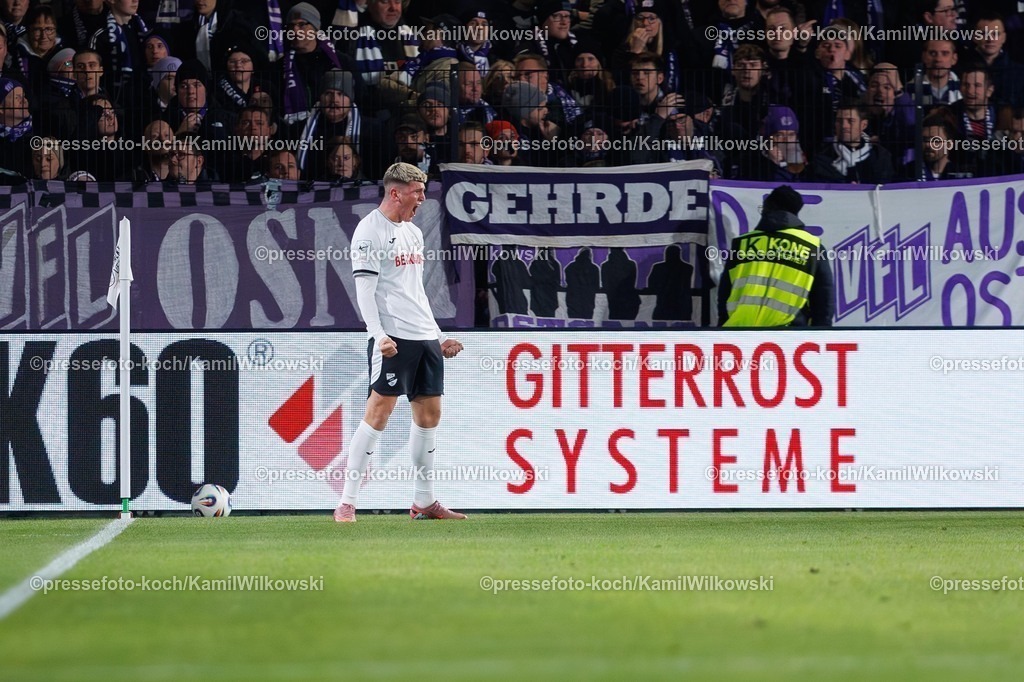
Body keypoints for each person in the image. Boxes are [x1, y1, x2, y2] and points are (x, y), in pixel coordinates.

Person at [334, 162, 467, 523]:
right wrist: (378, 335)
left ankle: (424, 501)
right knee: (378, 413)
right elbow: (365, 292)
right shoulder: (369, 232)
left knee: (430, 415)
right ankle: (346, 502)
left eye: (423, 191)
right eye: (416, 192)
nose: (422, 198)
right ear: (395, 193)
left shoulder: (413, 232)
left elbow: (415, 292)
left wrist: (438, 336)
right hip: (393, 337)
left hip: (424, 337)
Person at [717, 185, 834, 327]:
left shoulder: (742, 243)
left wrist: (722, 327)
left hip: (739, 331)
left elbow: (725, 291)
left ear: (767, 208)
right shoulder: (812, 246)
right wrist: (821, 332)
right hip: (788, 334)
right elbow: (824, 297)